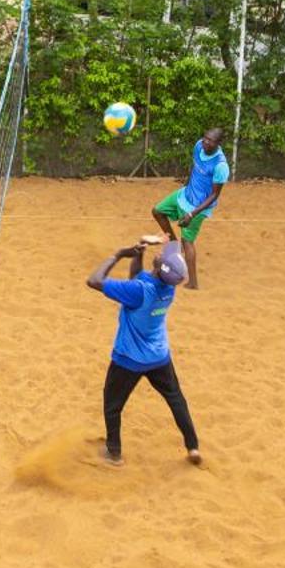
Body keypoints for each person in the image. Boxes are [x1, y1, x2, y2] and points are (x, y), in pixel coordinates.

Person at [87, 237, 200, 467]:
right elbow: (135, 281)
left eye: (162, 256)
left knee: (112, 406)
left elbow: (94, 280)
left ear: (160, 268)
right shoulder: (168, 287)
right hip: (159, 356)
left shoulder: (140, 290)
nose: (161, 253)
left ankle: (114, 453)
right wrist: (138, 254)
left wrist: (118, 254)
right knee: (175, 398)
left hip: (128, 360)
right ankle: (192, 447)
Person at [151, 127, 229, 289]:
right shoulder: (198, 146)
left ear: (219, 143)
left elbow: (214, 195)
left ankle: (193, 283)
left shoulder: (221, 166)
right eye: (205, 138)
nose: (206, 142)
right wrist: (186, 185)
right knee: (157, 211)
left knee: (188, 241)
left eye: (211, 140)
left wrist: (192, 214)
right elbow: (194, 168)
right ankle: (173, 244)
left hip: (198, 207)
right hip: (184, 195)